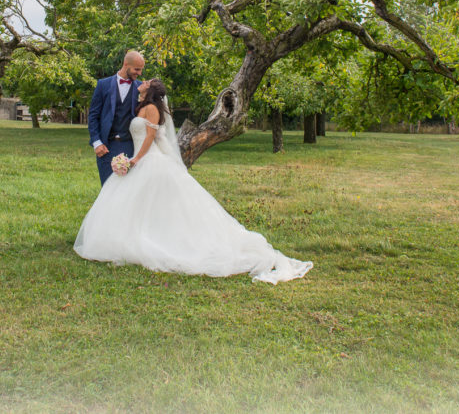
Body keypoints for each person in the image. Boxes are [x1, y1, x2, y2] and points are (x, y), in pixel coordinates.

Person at [74, 77, 313, 284]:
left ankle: (154, 239)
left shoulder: (152, 110)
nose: (142, 82)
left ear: (151, 91)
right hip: (142, 159)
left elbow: (149, 139)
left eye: (146, 82)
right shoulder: (143, 106)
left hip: (149, 160)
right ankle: (135, 235)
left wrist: (134, 160)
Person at [87, 51, 145, 185]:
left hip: (131, 146)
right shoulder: (103, 84)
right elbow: (93, 116)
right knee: (107, 189)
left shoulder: (141, 88)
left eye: (141, 70)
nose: (139, 73)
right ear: (126, 64)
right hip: (106, 147)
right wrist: (97, 142)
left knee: (128, 190)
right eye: (137, 69)